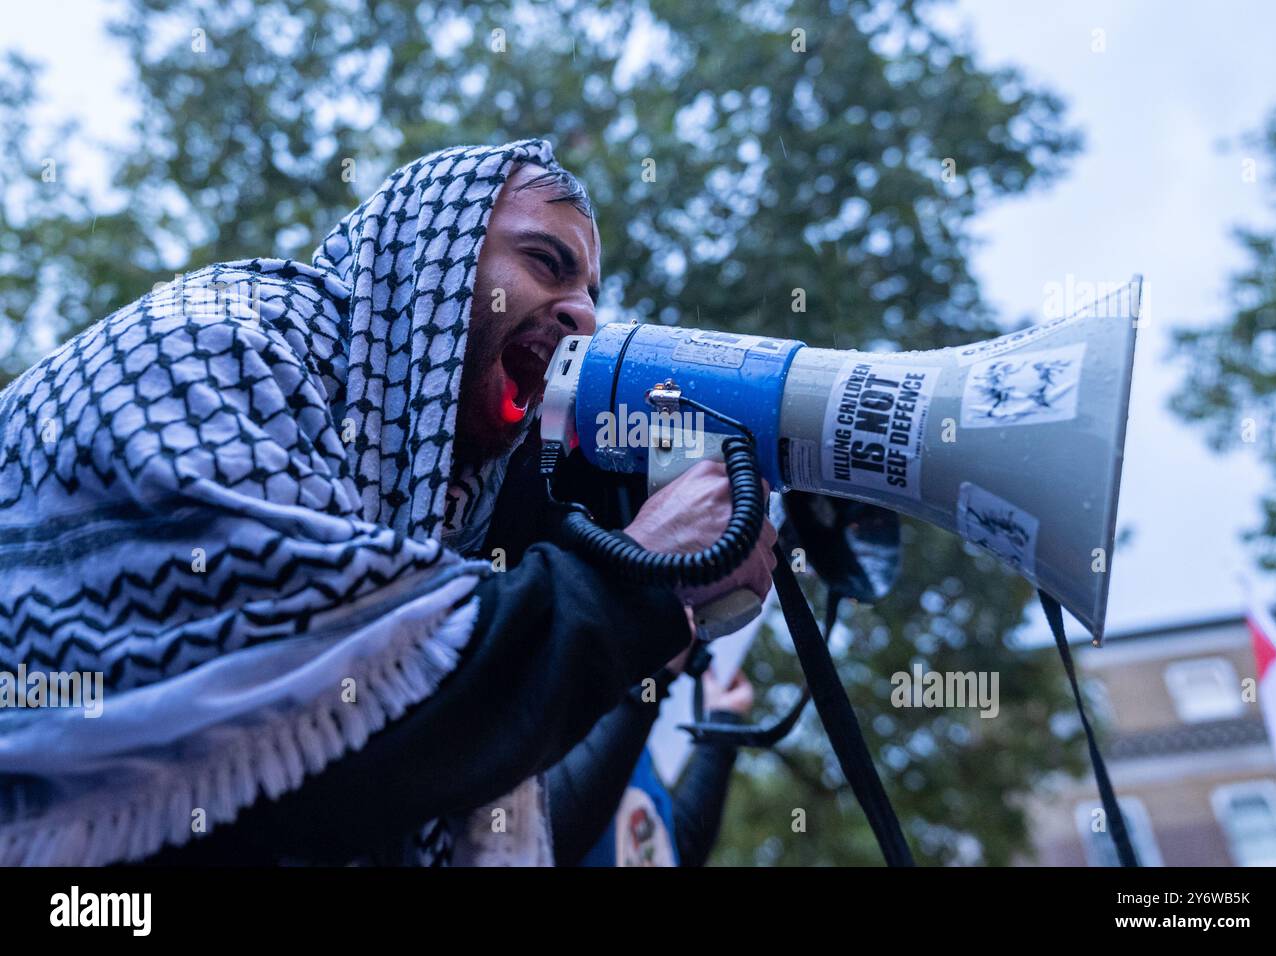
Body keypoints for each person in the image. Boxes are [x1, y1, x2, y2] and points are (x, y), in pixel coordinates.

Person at [0, 139, 777, 866]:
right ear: (427, 260)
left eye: (590, 294)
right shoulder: (212, 343)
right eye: (545, 261)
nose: (584, 316)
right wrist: (636, 578)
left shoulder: (446, 509)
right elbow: (307, 717)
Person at [546, 650, 755, 867]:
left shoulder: (630, 752)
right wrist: (657, 673)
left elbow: (677, 850)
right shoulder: (546, 711)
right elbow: (549, 836)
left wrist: (722, 720)